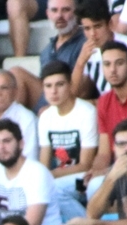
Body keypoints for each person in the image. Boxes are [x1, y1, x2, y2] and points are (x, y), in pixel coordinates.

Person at [9, 0, 83, 111]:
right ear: (48, 14)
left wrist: (51, 109)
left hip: (71, 100)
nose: (59, 16)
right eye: (54, 10)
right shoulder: (47, 49)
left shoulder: (84, 43)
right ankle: (10, 125)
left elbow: (83, 88)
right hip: (47, 99)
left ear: (76, 13)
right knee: (16, 74)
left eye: (66, 10)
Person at [38, 61, 99, 189]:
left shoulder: (86, 113)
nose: (53, 91)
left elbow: (85, 165)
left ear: (70, 85)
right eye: (48, 86)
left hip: (85, 178)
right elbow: (44, 163)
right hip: (57, 177)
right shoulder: (45, 117)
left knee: (55, 190)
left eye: (59, 85)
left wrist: (50, 175)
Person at [88, 41, 127, 182]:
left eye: (119, 63)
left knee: (94, 188)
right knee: (59, 189)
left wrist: (107, 173)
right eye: (107, 64)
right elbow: (104, 152)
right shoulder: (103, 101)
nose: (113, 70)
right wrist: (95, 171)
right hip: (111, 170)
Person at [72, 0, 127, 99]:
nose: (93, 34)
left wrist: (96, 103)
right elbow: (75, 94)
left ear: (109, 24)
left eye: (97, 26)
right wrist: (80, 62)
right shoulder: (88, 51)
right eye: (87, 28)